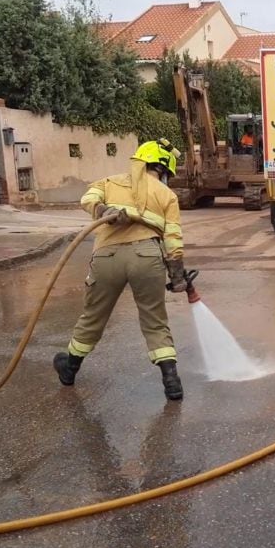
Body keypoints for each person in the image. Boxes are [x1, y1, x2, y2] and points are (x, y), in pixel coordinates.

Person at [53, 139, 193, 401]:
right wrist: (177, 277)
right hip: (147, 256)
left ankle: (69, 370)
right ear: (162, 169)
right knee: (155, 320)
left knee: (93, 316)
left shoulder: (110, 181)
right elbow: (173, 240)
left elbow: (88, 199)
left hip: (107, 256)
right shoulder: (167, 195)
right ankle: (171, 381)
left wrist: (103, 209)